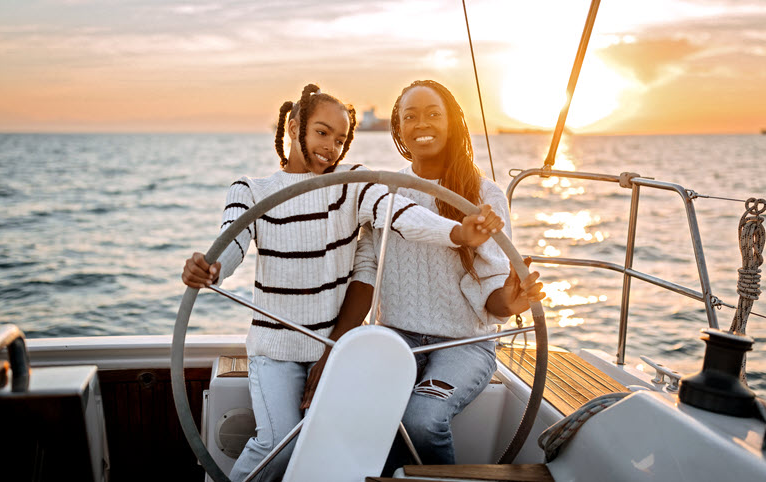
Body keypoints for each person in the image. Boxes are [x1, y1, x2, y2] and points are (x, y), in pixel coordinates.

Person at [181, 83, 504, 482]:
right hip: (276, 349)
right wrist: (211, 270)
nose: (330, 147)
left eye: (340, 140)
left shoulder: (352, 181)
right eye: (321, 132)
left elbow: (397, 212)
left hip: (337, 345)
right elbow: (231, 241)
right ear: (294, 125)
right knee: (277, 444)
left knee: (348, 436)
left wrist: (457, 234)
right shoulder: (250, 190)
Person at [301, 79, 545, 472]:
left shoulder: (483, 195)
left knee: (421, 419)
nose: (421, 123)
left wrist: (511, 300)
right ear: (398, 128)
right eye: (409, 116)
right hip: (398, 336)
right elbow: (365, 272)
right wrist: (336, 343)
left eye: (433, 114)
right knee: (356, 407)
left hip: (465, 344)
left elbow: (495, 294)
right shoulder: (384, 192)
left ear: (452, 123)